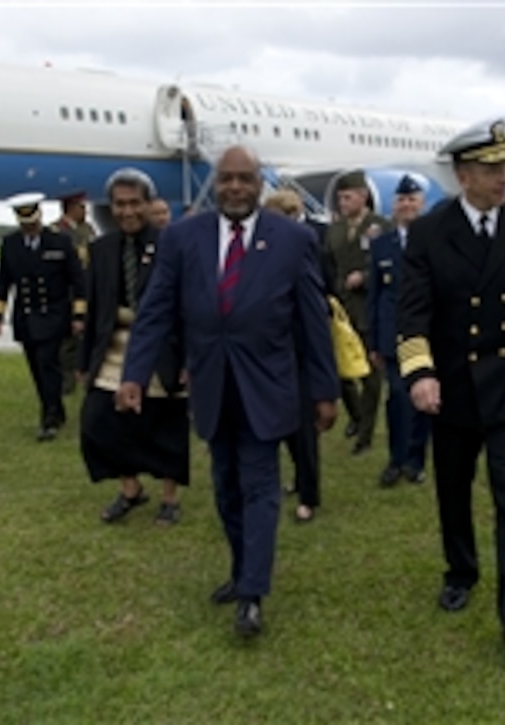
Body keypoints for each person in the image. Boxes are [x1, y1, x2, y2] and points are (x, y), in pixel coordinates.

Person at [118, 146, 339, 637]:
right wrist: (134, 374)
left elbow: (312, 321)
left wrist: (324, 390)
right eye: (226, 179)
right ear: (215, 183)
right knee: (226, 486)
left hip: (269, 386)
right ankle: (242, 571)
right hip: (212, 386)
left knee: (260, 485)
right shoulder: (182, 237)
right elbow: (155, 310)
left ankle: (253, 593)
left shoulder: (293, 239)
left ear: (260, 183)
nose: (235, 187)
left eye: (245, 178)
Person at [397, 118, 505, 645]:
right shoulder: (429, 231)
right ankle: (460, 571)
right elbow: (412, 311)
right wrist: (420, 373)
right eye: (493, 169)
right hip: (451, 386)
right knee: (452, 487)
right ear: (465, 175)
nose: (504, 177)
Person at [79, 169, 189, 525]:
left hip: (162, 349)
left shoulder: (173, 244)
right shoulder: (100, 250)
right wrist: (84, 362)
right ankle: (130, 489)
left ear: (150, 204)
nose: (127, 212)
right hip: (113, 348)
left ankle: (170, 499)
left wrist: (189, 359)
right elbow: (94, 309)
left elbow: (188, 308)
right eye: (119, 204)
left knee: (164, 425)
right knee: (99, 422)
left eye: (134, 203)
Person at [0, 192, 86, 441]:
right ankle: (55, 408)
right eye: (24, 224)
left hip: (53, 314)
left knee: (48, 365)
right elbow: (3, 281)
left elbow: (77, 280)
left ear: (40, 216)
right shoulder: (10, 245)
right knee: (36, 368)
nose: (29, 228)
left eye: (32, 223)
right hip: (25, 317)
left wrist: (78, 315)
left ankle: (49, 417)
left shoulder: (60, 243)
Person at [263, 190, 324, 523]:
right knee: (280, 427)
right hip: (271, 352)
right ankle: (298, 480)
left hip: (299, 351)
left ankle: (310, 494)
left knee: (303, 430)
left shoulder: (308, 243)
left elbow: (318, 296)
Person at [366, 174, 431, 486]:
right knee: (398, 399)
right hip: (391, 335)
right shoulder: (381, 245)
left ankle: (416, 461)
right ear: (394, 206)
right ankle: (396, 460)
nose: (406, 205)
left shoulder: (435, 242)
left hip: (426, 335)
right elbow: (375, 296)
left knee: (423, 399)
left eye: (412, 200)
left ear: (422, 205)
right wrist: (373, 342)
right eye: (401, 200)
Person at [324, 171, 392, 454]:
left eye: (348, 197)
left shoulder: (379, 226)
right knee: (340, 369)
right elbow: (329, 262)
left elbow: (389, 265)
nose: (342, 202)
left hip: (368, 307)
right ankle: (356, 417)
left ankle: (365, 434)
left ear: (363, 197)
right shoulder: (335, 229)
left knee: (370, 375)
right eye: (340, 197)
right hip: (342, 308)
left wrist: (364, 276)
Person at [50, 192, 97, 396]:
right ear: (70, 208)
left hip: (86, 288)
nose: (85, 211)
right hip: (66, 291)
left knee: (86, 335)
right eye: (81, 207)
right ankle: (66, 381)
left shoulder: (87, 229)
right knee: (66, 341)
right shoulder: (56, 231)